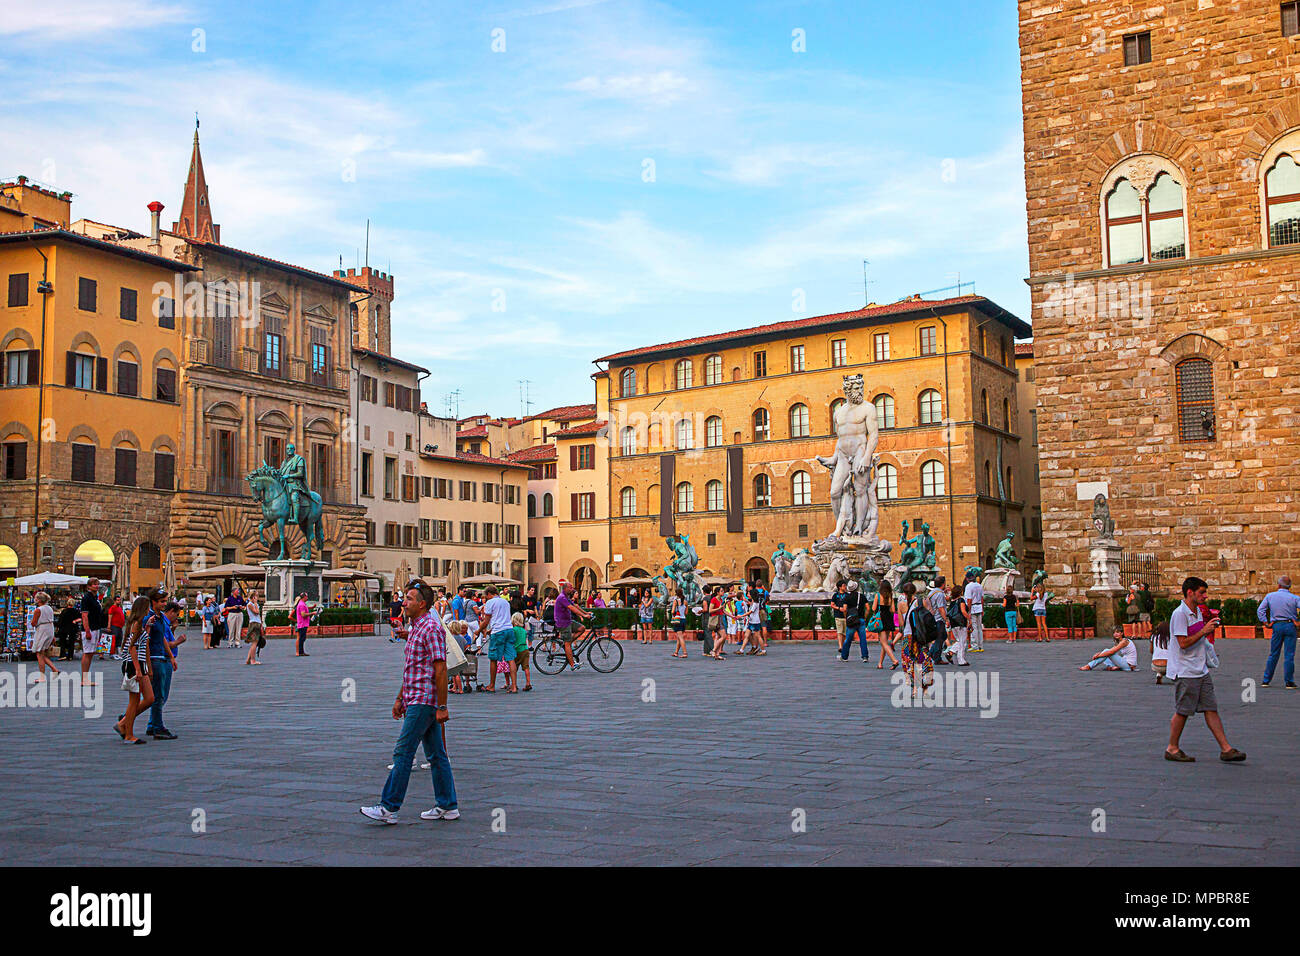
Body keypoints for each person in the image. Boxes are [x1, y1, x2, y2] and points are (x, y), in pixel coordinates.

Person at [360, 581, 459, 824]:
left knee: (403, 752)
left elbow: (440, 668)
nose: (404, 602)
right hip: (416, 697)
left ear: (422, 604)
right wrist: (399, 698)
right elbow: (413, 668)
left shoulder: (431, 629)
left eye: (410, 599)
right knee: (437, 754)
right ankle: (447, 805)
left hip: (424, 700)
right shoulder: (417, 628)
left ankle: (388, 807)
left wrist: (443, 706)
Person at [1162, 576, 1245, 763]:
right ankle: (1172, 747)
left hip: (1200, 669)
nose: (1205, 596)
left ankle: (1226, 748)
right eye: (1202, 592)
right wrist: (1204, 631)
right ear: (1190, 592)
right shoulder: (1180, 614)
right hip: (1185, 670)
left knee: (1210, 708)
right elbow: (1182, 643)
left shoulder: (1197, 612)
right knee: (1183, 711)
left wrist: (1207, 628)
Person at [114, 596, 155, 745]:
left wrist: (147, 629)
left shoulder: (139, 624)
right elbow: (132, 647)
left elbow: (141, 643)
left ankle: (123, 723)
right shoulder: (136, 624)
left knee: (149, 698)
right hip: (133, 664)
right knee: (134, 700)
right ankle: (128, 734)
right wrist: (138, 669)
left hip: (139, 663)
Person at [143, 590, 180, 741]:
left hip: (160, 657)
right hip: (154, 659)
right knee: (156, 696)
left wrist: (171, 656)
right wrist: (148, 666)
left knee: (155, 696)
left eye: (165, 601)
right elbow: (144, 641)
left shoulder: (159, 617)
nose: (164, 604)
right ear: (153, 601)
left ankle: (152, 725)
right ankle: (157, 727)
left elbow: (162, 639)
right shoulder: (150, 618)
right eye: (162, 601)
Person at [1256, 575, 1300, 689]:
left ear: (1279, 585)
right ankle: (1289, 682)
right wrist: (1298, 621)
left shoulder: (1270, 596)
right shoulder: (1295, 598)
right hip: (1290, 625)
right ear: (1289, 586)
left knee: (1274, 653)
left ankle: (1266, 680)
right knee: (1289, 655)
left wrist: (1266, 622)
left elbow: (1260, 610)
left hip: (1277, 625)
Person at [899, 582, 934, 696]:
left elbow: (901, 624)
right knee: (922, 660)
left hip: (907, 637)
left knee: (910, 663)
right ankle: (925, 689)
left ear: (904, 593)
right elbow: (928, 619)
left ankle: (914, 690)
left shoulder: (900, 604)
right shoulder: (921, 602)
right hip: (920, 637)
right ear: (915, 591)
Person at [479, 585, 515, 693]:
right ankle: (513, 686)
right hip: (509, 630)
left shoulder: (490, 603)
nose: (486, 598)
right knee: (510, 658)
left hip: (498, 632)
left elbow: (486, 620)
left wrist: (479, 630)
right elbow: (503, 618)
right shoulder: (505, 602)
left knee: (493, 658)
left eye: (487, 596)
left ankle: (492, 685)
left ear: (489, 594)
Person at [553, 583, 590, 671]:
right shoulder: (562, 597)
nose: (572, 589)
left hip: (568, 621)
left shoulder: (566, 597)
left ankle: (567, 644)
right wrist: (583, 616)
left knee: (582, 628)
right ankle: (572, 665)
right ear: (565, 589)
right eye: (570, 588)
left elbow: (575, 606)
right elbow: (571, 608)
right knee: (568, 643)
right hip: (563, 623)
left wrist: (586, 613)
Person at [79, 577, 106, 686]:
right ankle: (84, 679)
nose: (96, 586)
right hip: (90, 628)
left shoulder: (95, 598)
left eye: (97, 584)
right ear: (89, 586)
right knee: (87, 653)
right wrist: (87, 630)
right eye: (94, 584)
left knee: (90, 653)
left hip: (95, 627)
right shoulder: (87, 598)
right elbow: (84, 615)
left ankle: (85, 678)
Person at [870, 580, 901, 669]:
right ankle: (880, 663)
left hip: (881, 619)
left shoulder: (878, 595)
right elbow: (892, 610)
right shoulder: (890, 595)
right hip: (888, 618)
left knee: (883, 642)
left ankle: (894, 660)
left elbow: (873, 608)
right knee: (885, 643)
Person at [28, 591, 58, 680]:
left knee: (39, 653)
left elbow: (33, 623)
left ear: (39, 600)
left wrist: (31, 622)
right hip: (50, 628)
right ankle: (54, 669)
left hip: (42, 630)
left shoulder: (38, 610)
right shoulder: (49, 608)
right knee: (42, 652)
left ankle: (42, 676)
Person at [839, 580, 870, 663]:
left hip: (851, 620)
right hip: (861, 619)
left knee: (848, 639)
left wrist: (846, 617)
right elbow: (868, 608)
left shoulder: (847, 597)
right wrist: (865, 617)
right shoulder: (862, 596)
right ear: (856, 588)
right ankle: (865, 656)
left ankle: (844, 656)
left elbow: (845, 609)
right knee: (863, 639)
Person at [924, 577, 947, 664]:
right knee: (940, 637)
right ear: (943, 584)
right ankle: (934, 656)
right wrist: (946, 619)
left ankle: (933, 654)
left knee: (942, 636)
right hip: (938, 619)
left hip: (932, 618)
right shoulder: (940, 594)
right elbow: (941, 608)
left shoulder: (932, 592)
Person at [963, 572, 985, 653]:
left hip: (973, 607)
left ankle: (974, 645)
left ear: (967, 578)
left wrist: (968, 611)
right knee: (979, 628)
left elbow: (969, 600)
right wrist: (982, 609)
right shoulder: (979, 585)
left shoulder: (969, 586)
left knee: (973, 627)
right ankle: (980, 645)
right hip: (979, 607)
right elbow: (982, 598)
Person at [511, 611, 532, 692]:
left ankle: (514, 684)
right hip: (525, 649)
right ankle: (528, 683)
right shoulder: (523, 630)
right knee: (526, 667)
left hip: (517, 650)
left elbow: (512, 640)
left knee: (514, 668)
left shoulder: (513, 630)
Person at [56, 596, 80, 661]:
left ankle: (62, 655)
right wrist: (75, 621)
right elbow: (80, 618)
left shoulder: (64, 611)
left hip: (63, 628)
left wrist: (58, 627)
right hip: (72, 628)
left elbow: (60, 621)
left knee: (62, 642)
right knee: (71, 642)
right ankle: (70, 656)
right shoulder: (76, 611)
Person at [244, 591, 264, 666]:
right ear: (253, 596)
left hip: (257, 623)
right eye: (256, 596)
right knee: (254, 643)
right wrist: (255, 603)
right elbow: (256, 612)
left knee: (254, 642)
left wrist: (261, 624)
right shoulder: (250, 604)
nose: (257, 597)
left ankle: (248, 660)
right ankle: (253, 660)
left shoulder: (253, 604)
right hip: (253, 623)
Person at [831, 580, 850, 655]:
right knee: (839, 631)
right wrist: (839, 608)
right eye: (844, 585)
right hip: (838, 615)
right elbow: (832, 604)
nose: (845, 587)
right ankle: (840, 646)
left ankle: (844, 646)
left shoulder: (847, 595)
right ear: (839, 587)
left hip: (846, 616)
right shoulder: (835, 595)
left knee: (845, 632)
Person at [669, 592, 688, 658]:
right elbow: (686, 612)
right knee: (679, 638)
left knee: (680, 637)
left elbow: (672, 611)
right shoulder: (685, 602)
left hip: (678, 620)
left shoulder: (675, 601)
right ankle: (676, 652)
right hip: (683, 619)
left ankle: (685, 653)